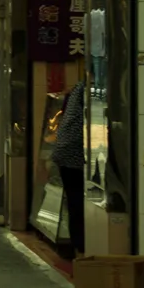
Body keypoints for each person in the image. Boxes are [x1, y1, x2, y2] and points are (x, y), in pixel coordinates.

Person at [54, 81, 87, 257]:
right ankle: (81, 249)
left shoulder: (78, 87)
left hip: (65, 151)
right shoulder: (88, 88)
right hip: (76, 152)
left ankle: (78, 250)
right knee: (78, 203)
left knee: (75, 202)